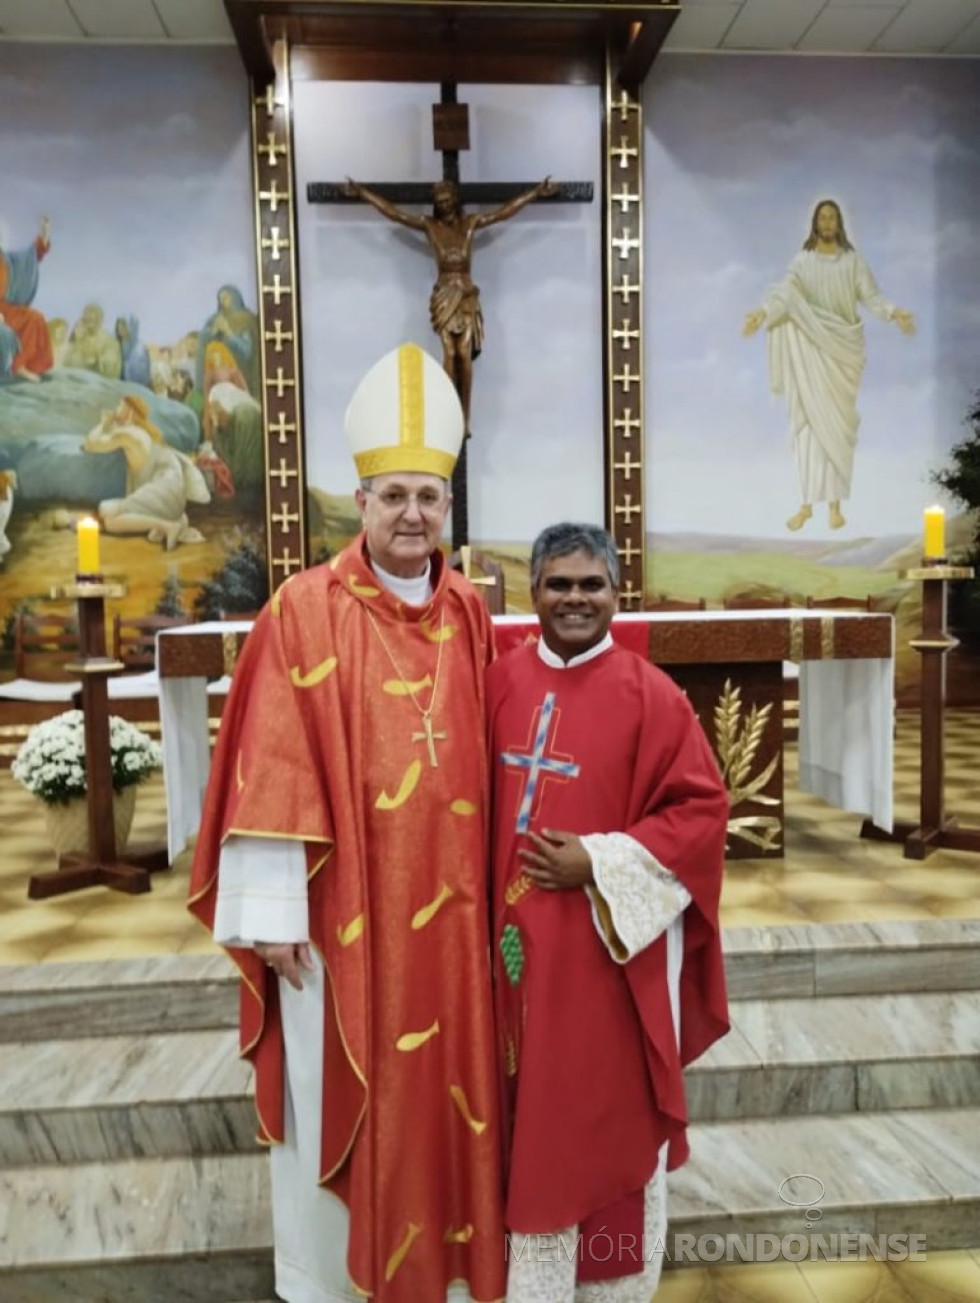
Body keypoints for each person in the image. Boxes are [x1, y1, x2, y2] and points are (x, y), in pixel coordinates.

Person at [188, 342, 506, 1303]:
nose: (414, 514)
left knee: (453, 1097)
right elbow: (269, 757)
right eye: (395, 494)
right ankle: (335, 1282)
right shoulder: (303, 610)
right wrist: (275, 909)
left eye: (430, 496)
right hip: (339, 921)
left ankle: (449, 1278)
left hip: (453, 930)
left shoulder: (473, 611)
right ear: (360, 502)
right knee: (346, 1097)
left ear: (448, 505)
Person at [488, 523, 730, 1302]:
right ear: (534, 593)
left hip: (604, 969)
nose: (575, 599)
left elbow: (701, 813)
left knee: (600, 1120)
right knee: (515, 1121)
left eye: (591, 584)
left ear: (617, 594)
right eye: (559, 584)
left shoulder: (650, 695)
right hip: (502, 965)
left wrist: (596, 859)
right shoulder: (497, 686)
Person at [743, 198, 915, 532]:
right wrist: (762, 312)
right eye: (822, 217)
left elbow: (871, 296)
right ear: (815, 223)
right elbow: (785, 294)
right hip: (811, 351)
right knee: (808, 424)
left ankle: (835, 507)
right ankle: (807, 504)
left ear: (839, 224)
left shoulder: (852, 262)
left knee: (837, 428)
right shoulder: (803, 261)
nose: (827, 222)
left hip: (842, 353)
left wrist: (894, 313)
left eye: (832, 217)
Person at [344, 176, 556, 434]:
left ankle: (465, 418)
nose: (443, 204)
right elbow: (395, 214)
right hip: (445, 293)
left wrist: (535, 193)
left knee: (464, 356)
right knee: (450, 354)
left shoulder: (470, 223)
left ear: (455, 200)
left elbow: (503, 213)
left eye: (447, 199)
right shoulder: (429, 225)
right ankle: (448, 414)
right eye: (439, 201)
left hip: (466, 294)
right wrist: (363, 193)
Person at [83, 394, 209, 549]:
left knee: (108, 517)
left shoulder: (128, 434)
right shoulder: (144, 432)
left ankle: (167, 527)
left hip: (163, 493)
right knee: (106, 513)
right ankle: (173, 522)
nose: (116, 409)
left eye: (119, 406)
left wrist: (103, 423)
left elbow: (91, 444)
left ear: (129, 411)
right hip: (172, 498)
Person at [0, 215, 53, 381]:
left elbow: (30, 257)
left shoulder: (7, 260)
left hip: (6, 309)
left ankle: (29, 365)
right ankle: (18, 367)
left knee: (35, 318)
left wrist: (44, 234)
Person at [195, 284, 260, 397]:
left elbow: (247, 352)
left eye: (226, 298)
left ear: (235, 298)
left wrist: (228, 332)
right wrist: (213, 332)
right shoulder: (214, 319)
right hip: (217, 379)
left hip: (242, 377)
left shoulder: (246, 319)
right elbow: (203, 343)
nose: (223, 302)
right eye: (220, 299)